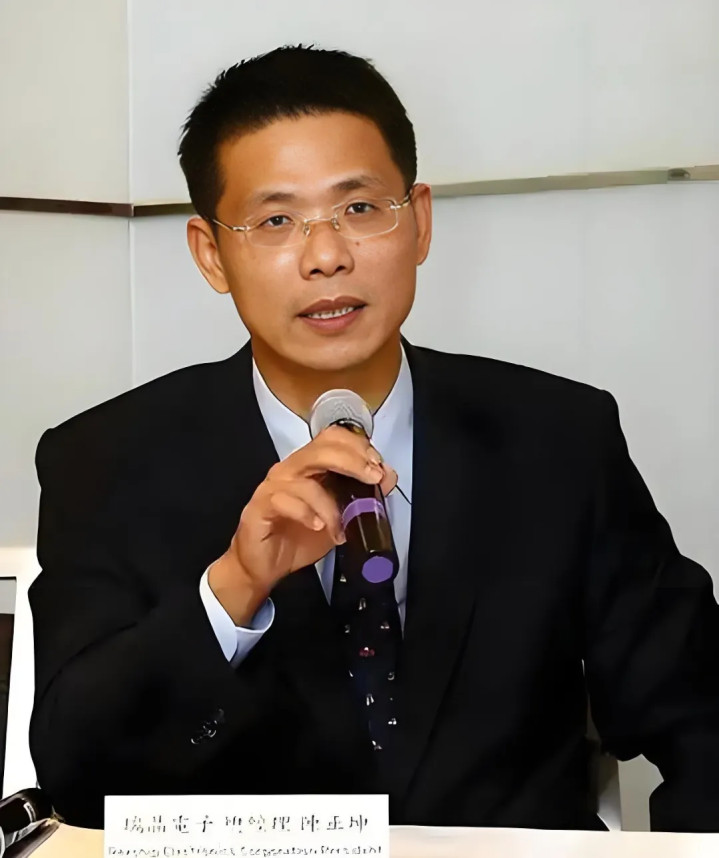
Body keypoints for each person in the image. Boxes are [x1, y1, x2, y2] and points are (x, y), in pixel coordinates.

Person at [29, 45, 719, 832]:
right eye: (276, 221)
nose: (326, 257)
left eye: (359, 209)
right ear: (210, 254)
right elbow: (79, 777)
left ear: (418, 221)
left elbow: (700, 717)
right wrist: (232, 589)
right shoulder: (105, 460)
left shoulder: (558, 439)